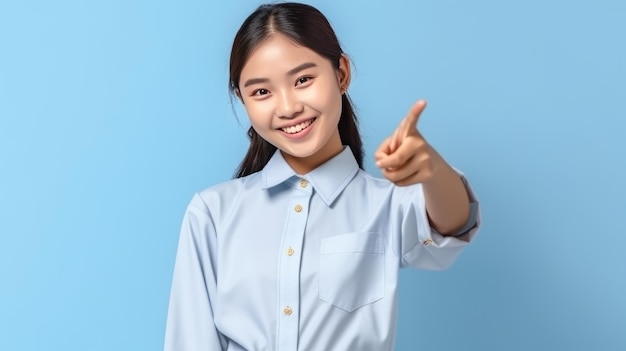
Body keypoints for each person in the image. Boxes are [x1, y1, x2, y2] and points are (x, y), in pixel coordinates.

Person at [164, 2, 480, 350]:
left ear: (341, 74)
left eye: (303, 79)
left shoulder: (384, 206)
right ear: (243, 99)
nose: (287, 108)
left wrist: (432, 171)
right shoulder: (212, 213)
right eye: (262, 92)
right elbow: (190, 340)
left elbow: (453, 223)